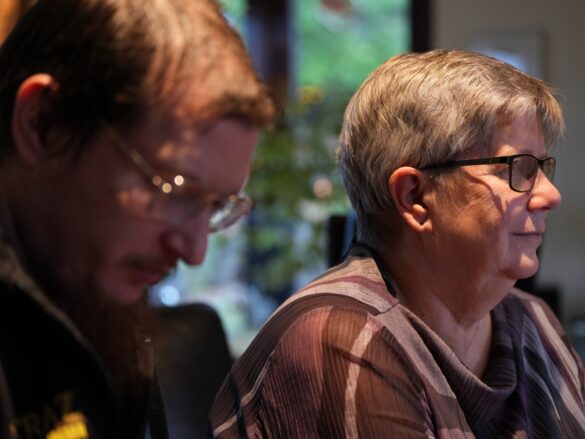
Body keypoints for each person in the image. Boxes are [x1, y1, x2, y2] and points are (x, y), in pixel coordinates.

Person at [210, 49, 585, 438]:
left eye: (542, 167)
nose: (550, 195)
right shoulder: (343, 338)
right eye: (518, 168)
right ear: (415, 197)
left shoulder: (534, 322)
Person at [0, 0, 274, 437]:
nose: (195, 251)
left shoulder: (101, 300)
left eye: (217, 207)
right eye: (175, 192)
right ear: (42, 124)